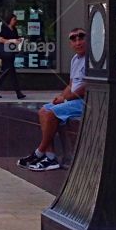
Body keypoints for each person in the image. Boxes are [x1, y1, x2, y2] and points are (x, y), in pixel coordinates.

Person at [17, 27, 87, 172]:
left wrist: (66, 98)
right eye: (73, 39)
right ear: (70, 43)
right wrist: (61, 97)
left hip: (86, 102)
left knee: (49, 113)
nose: (78, 42)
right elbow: (72, 84)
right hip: (73, 100)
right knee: (44, 110)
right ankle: (50, 157)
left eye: (81, 37)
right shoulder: (75, 59)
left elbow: (87, 87)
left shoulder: (93, 60)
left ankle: (39, 153)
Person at [0, 13, 26, 100]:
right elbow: (1, 39)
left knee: (5, 72)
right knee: (12, 72)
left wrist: (19, 40)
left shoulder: (14, 29)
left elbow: (16, 38)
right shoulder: (4, 27)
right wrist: (12, 40)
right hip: (6, 53)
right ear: (10, 20)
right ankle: (18, 93)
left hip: (11, 53)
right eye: (14, 19)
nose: (15, 21)